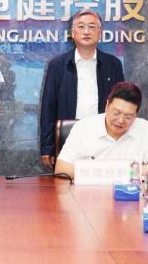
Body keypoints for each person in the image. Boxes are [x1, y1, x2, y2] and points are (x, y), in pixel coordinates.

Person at [39, 9, 124, 169]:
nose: (86, 31)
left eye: (92, 27)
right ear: (72, 33)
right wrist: (47, 147)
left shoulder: (113, 65)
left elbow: (122, 106)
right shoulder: (57, 65)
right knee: (66, 182)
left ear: (100, 33)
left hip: (104, 138)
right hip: (68, 138)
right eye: (81, 27)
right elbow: (48, 108)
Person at [54, 82, 148, 179]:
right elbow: (61, 168)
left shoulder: (145, 130)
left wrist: (121, 172)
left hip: (129, 195)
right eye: (116, 113)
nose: (120, 120)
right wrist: (107, 173)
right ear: (106, 106)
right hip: (89, 195)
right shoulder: (83, 128)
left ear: (136, 115)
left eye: (128, 116)